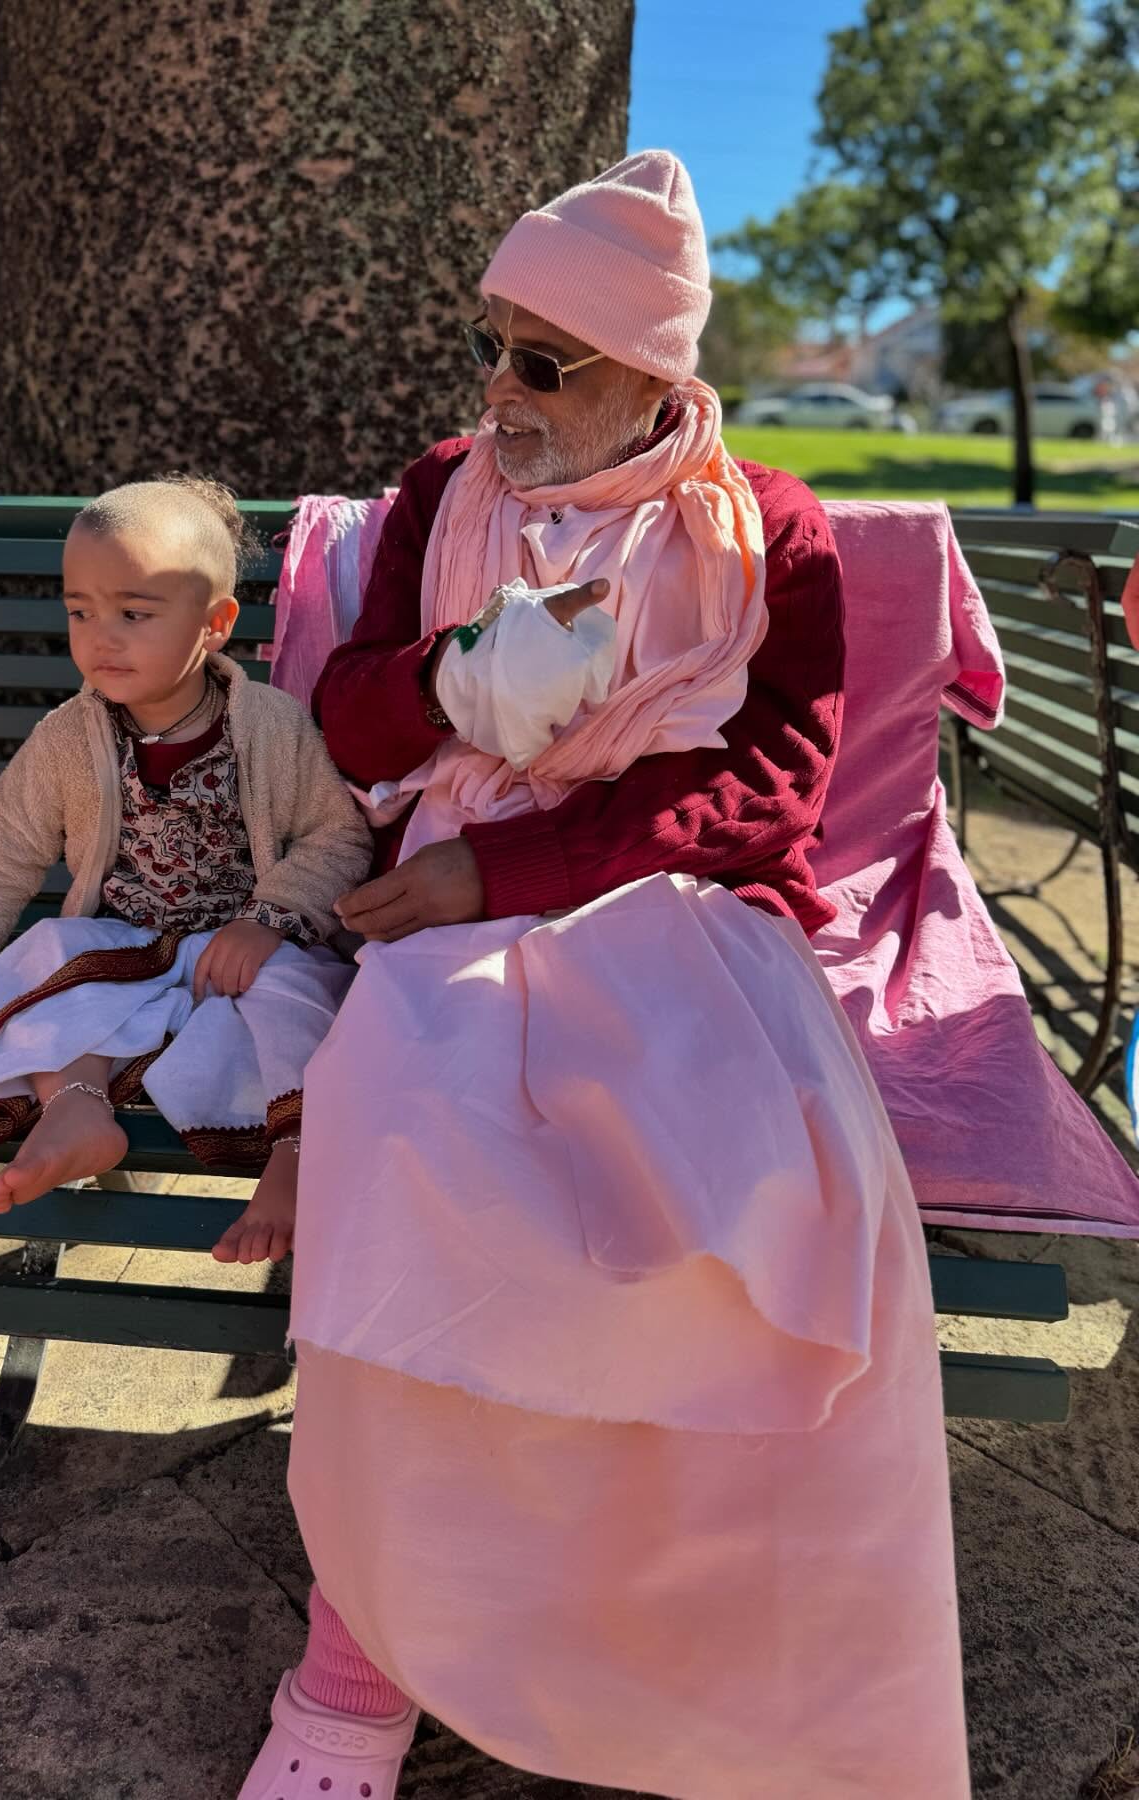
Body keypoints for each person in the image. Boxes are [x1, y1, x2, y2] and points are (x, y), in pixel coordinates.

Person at [238, 153, 970, 1798]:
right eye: (494, 343)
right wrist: (471, 681)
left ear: (656, 373)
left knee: (734, 1191)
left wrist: (504, 863)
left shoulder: (764, 526)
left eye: (544, 360)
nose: (499, 389)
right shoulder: (446, 489)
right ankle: (357, 1674)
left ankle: (690, 1659)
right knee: (408, 1128)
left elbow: (768, 783)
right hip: (445, 921)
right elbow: (351, 720)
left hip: (680, 907)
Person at [0, 476, 371, 1264]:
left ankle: (296, 1157)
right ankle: (78, 1106)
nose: (102, 637)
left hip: (244, 955)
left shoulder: (271, 726)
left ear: (214, 624)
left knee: (310, 1000)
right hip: (124, 951)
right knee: (38, 958)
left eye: (134, 613)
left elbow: (338, 841)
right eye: (80, 612)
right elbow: (5, 845)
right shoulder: (69, 736)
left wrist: (268, 923)